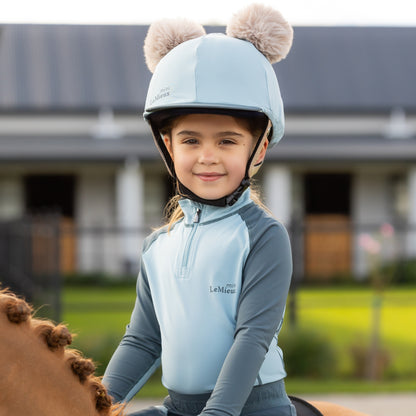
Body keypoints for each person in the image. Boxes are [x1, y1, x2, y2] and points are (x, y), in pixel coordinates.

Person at [103, 3, 295, 416]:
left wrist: (219, 413)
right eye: (191, 141)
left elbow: (252, 337)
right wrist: (91, 405)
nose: (207, 157)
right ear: (168, 146)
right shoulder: (158, 247)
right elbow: (142, 341)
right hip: (179, 408)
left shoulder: (264, 236)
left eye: (226, 141)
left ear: (258, 148)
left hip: (252, 409)